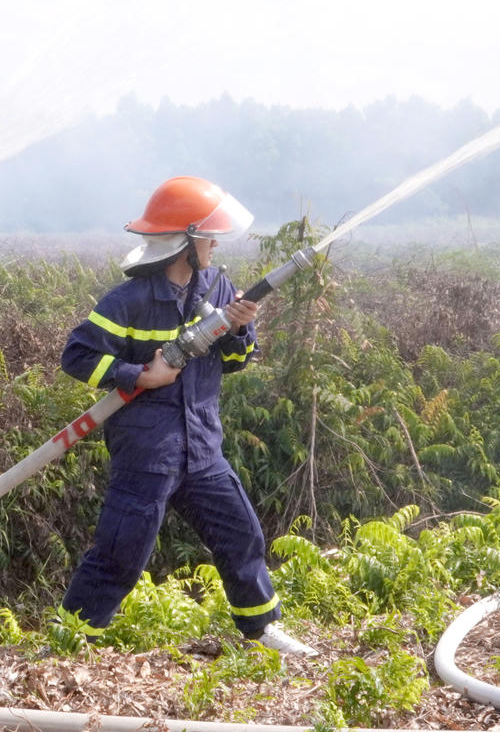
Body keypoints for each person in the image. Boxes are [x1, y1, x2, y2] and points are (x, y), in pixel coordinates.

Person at [58, 175, 317, 657]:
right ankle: (72, 639)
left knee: (241, 534)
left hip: (201, 445)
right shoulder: (128, 301)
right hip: (147, 448)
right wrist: (141, 374)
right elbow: (76, 357)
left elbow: (237, 362)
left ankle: (262, 630)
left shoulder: (220, 286)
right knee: (121, 550)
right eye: (208, 236)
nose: (215, 244)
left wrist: (238, 331)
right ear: (184, 241)